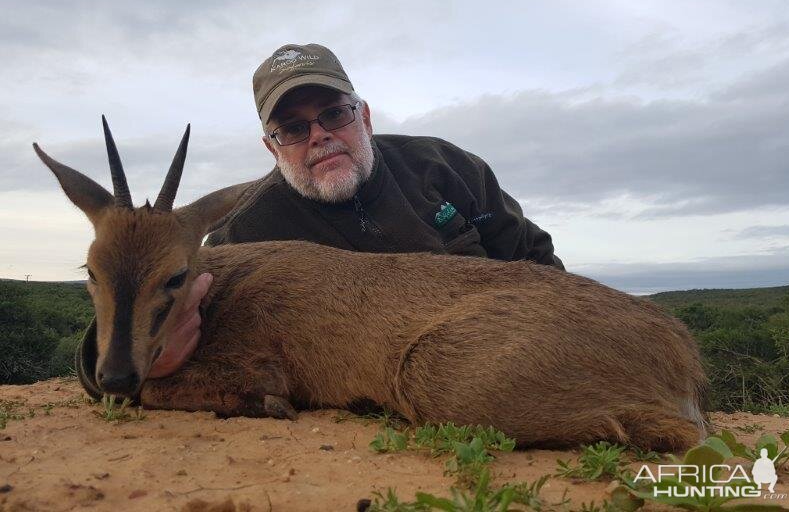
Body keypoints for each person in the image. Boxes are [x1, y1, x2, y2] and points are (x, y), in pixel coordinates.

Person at [76, 43, 563, 397]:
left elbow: (534, 259)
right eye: (292, 127)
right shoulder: (245, 230)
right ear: (272, 147)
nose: (319, 136)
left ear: (364, 117)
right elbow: (145, 290)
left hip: (503, 352)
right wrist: (147, 362)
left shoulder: (445, 166)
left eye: (333, 114)